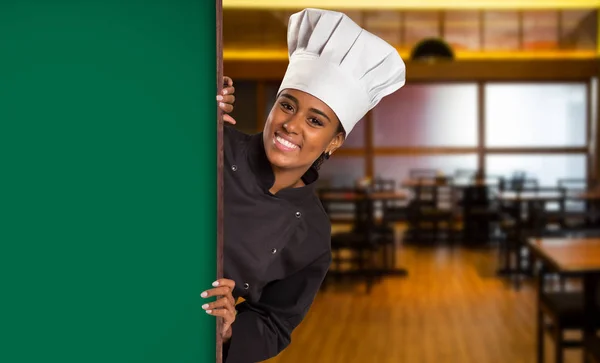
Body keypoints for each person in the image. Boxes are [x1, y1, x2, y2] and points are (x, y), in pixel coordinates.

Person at [201, 8, 406, 363]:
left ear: (334, 140)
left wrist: (230, 328)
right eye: (287, 105)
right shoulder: (212, 143)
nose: (291, 125)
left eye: (315, 120)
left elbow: (275, 322)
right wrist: (184, 111)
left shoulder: (311, 232)